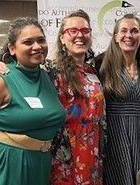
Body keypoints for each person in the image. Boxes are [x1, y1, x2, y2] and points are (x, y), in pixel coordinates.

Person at [0, 17, 66, 185]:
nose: (37, 46)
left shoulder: (47, 75)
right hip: (5, 167)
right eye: (28, 42)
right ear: (12, 48)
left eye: (41, 40)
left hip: (39, 165)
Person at [45, 9, 105, 185]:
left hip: (93, 152)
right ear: (62, 37)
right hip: (65, 155)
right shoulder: (50, 70)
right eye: (73, 31)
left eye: (85, 31)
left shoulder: (92, 71)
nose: (80, 35)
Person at [99, 14, 140, 185]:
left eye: (134, 31)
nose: (128, 35)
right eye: (123, 31)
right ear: (115, 37)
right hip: (112, 134)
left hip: (139, 135)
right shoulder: (100, 65)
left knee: (139, 176)